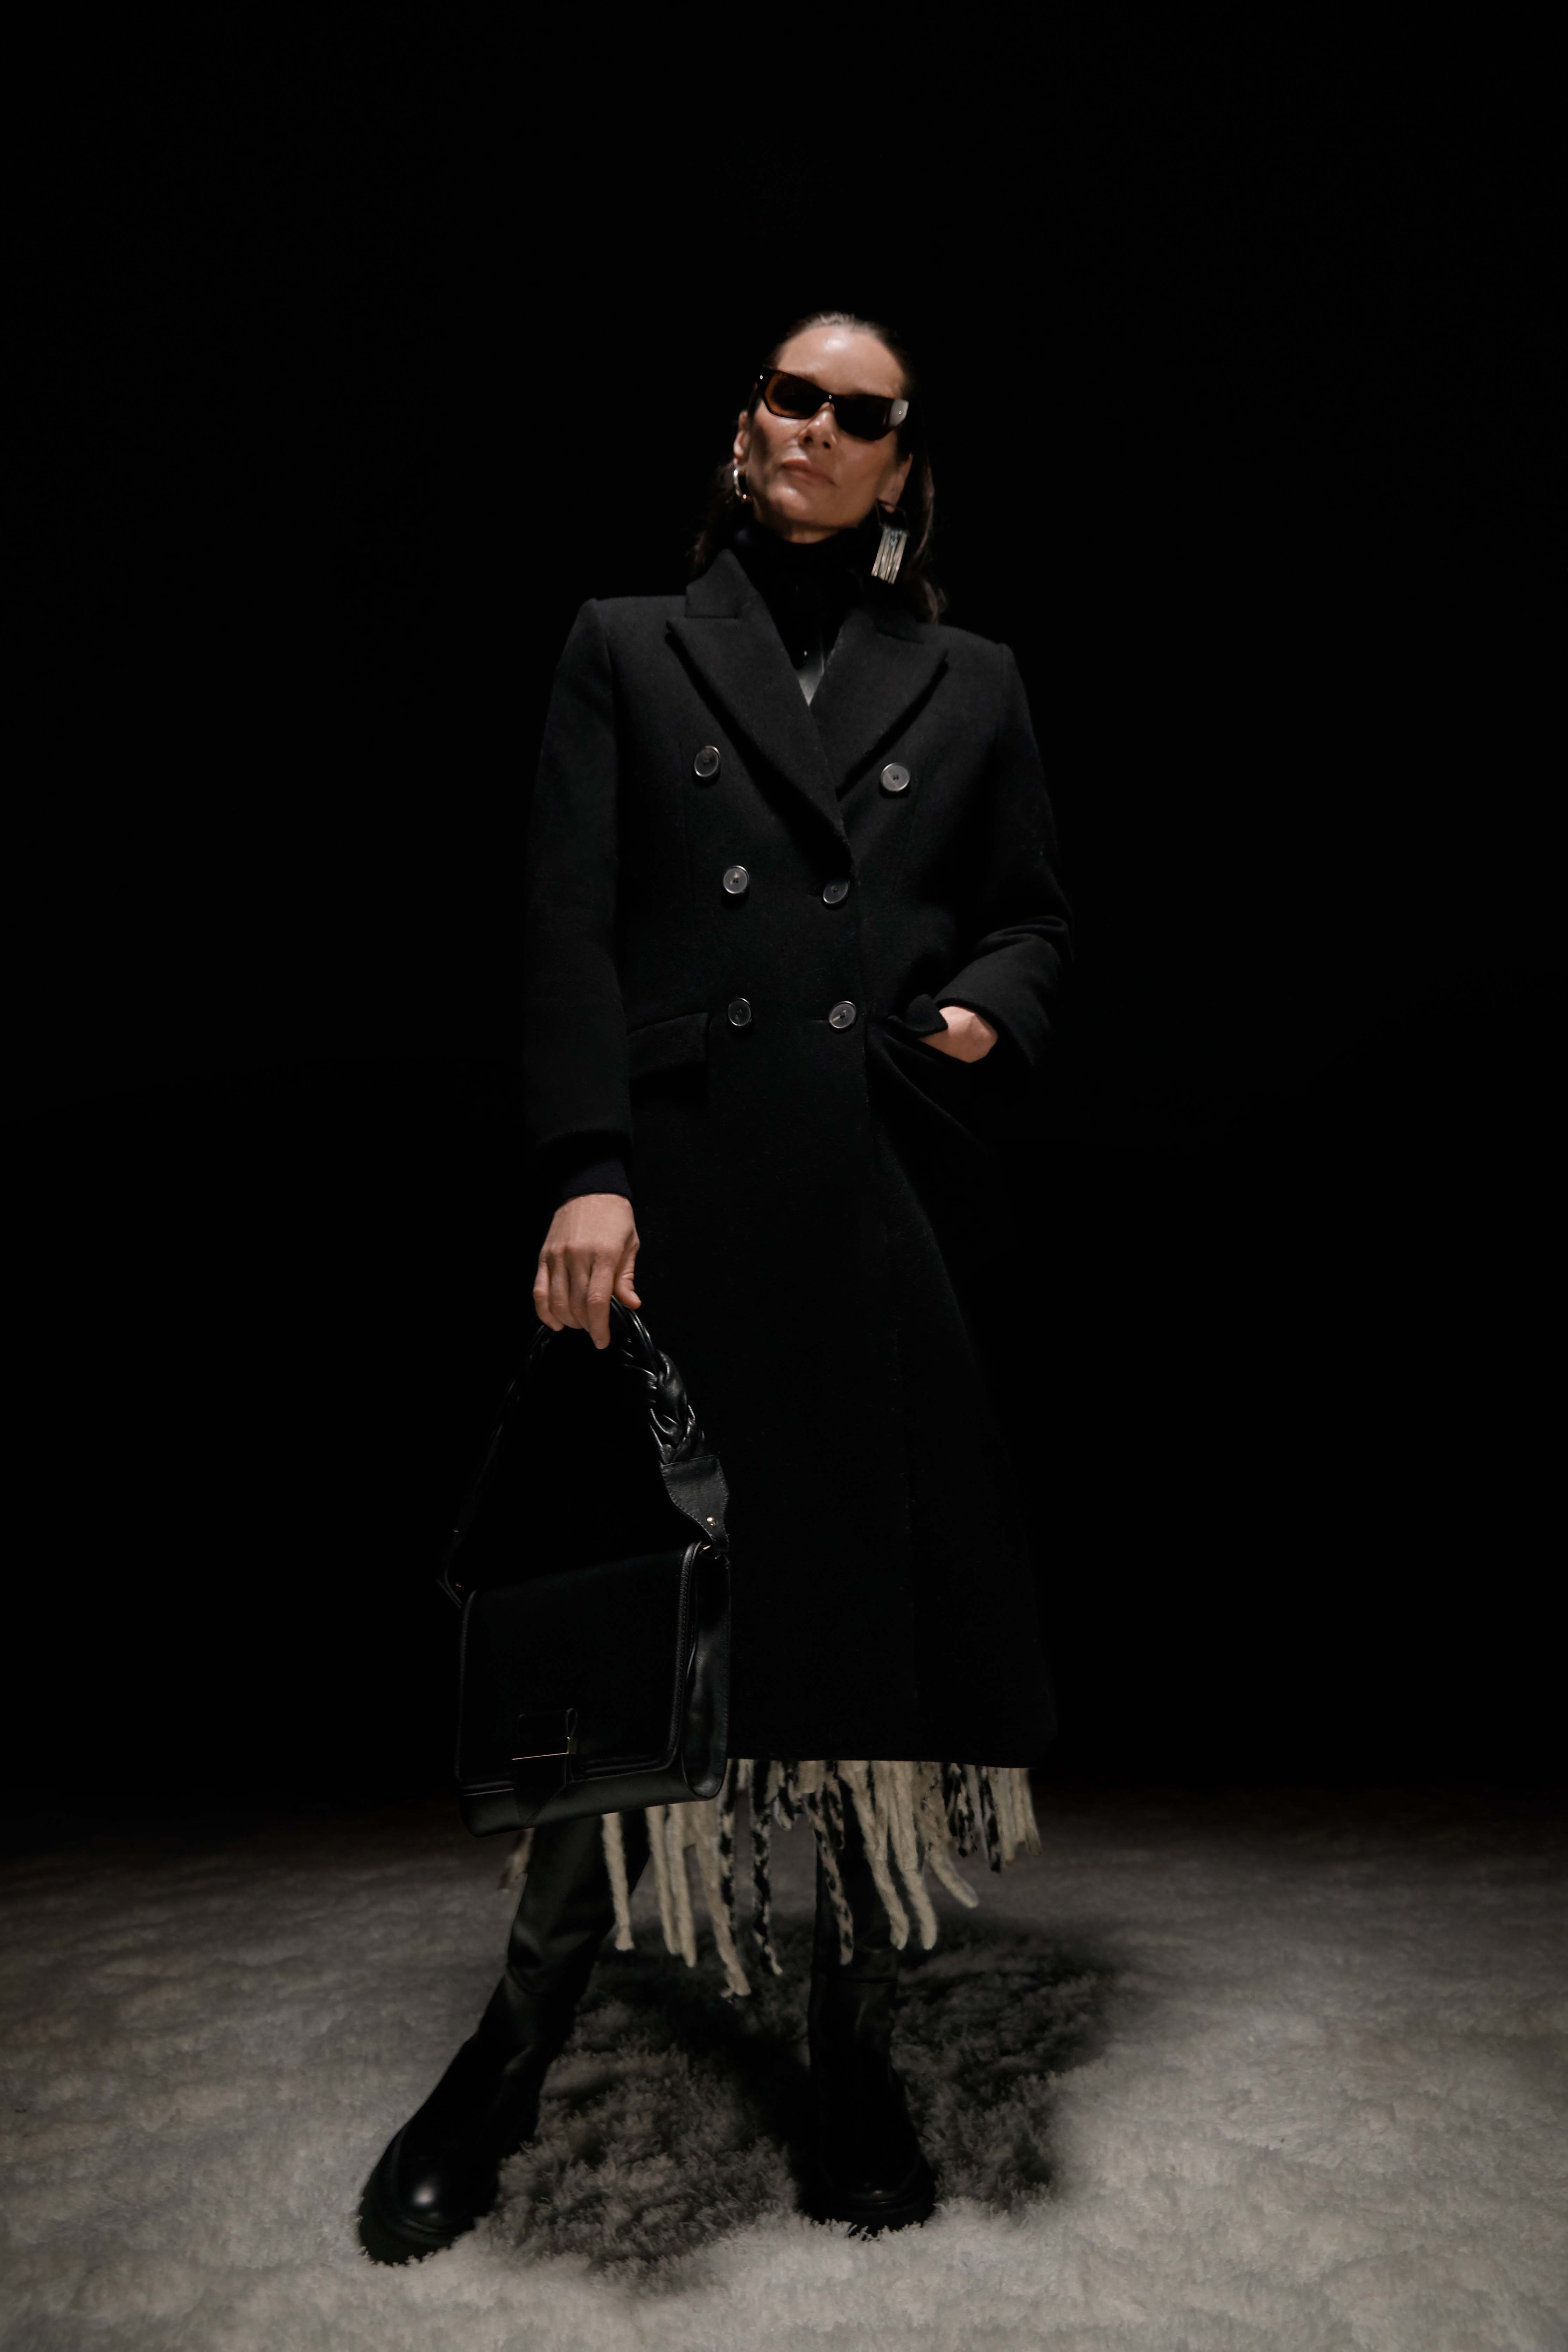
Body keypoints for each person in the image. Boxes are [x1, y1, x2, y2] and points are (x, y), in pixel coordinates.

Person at [358, 312, 1073, 2266]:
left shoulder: (977, 682)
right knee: (630, 1621)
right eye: (789, 392)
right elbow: (568, 924)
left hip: (876, 1194)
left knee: (861, 1642)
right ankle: (515, 2042)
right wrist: (587, 1168)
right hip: (683, 1189)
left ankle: (848, 2040)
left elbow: (1032, 916)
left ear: (904, 462)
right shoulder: (627, 645)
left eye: (862, 411)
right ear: (746, 422)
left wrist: (981, 1013)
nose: (816, 425)